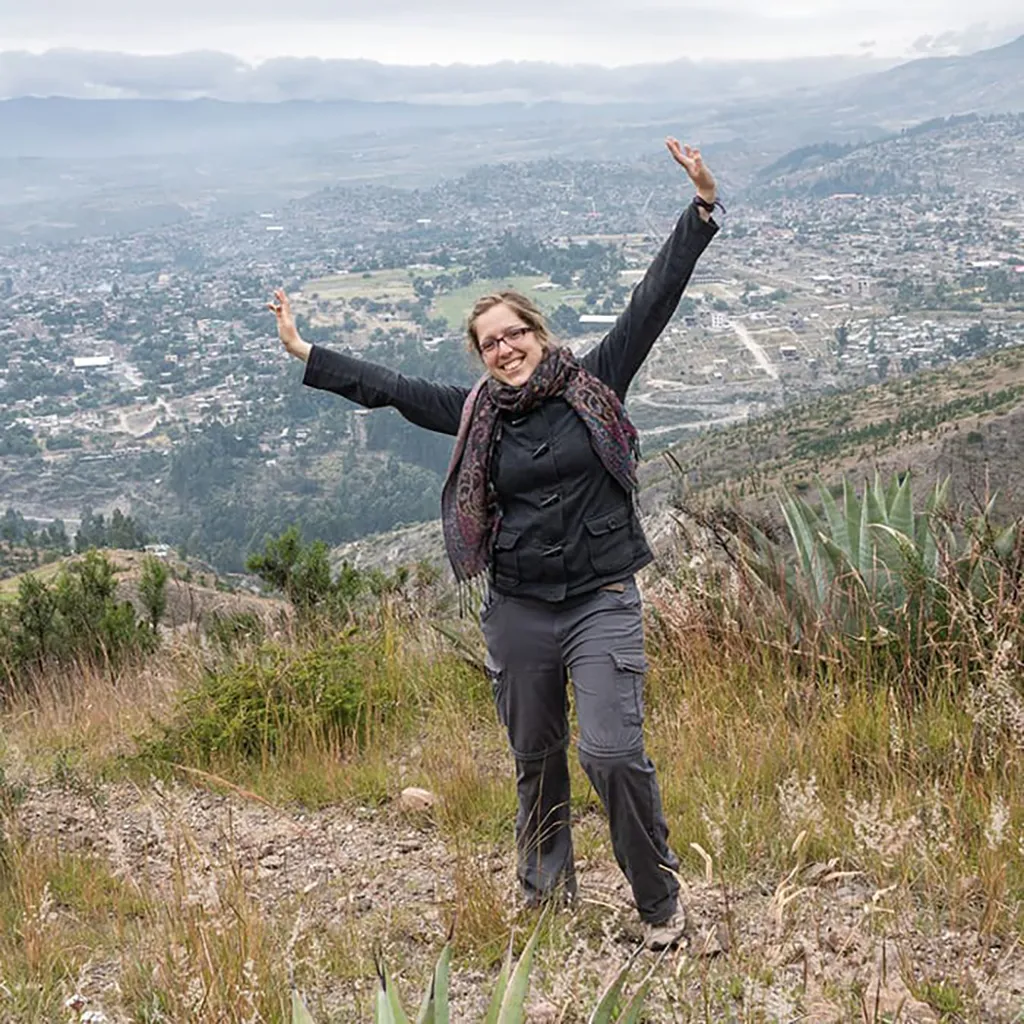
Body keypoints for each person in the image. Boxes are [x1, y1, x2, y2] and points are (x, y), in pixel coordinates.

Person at [269, 138, 719, 950]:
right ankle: (547, 902)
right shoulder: (474, 412)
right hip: (518, 607)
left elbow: (654, 301)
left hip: (603, 598)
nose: (505, 348)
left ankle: (660, 903)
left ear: (539, 335)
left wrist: (700, 211)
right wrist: (309, 354)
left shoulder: (597, 379)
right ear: (479, 357)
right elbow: (393, 391)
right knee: (535, 755)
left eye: (515, 334)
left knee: (612, 752)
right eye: (490, 343)